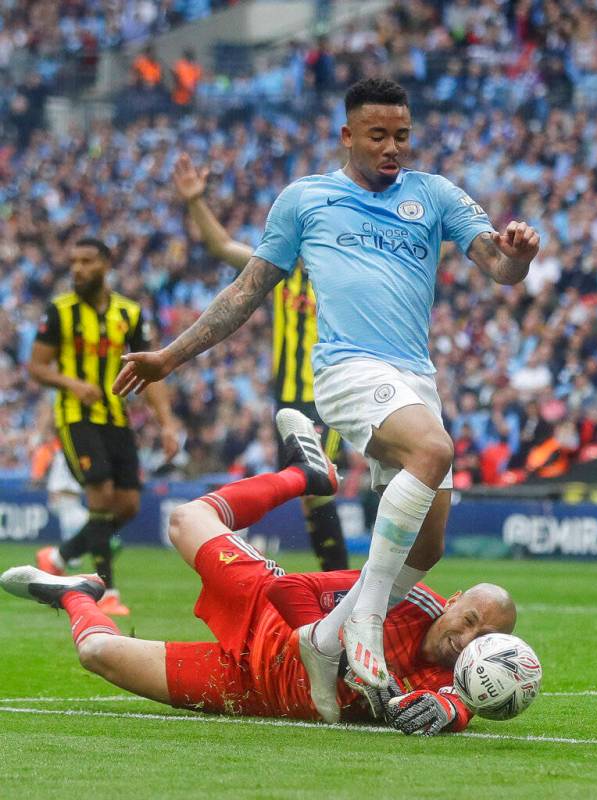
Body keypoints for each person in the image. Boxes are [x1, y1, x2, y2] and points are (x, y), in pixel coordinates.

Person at [113, 78, 539, 689]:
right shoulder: (305, 200)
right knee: (434, 449)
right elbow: (245, 292)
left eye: (401, 136)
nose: (392, 148)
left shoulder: (435, 195)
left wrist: (518, 254)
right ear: (347, 136)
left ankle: (322, 639)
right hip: (346, 368)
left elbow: (500, 268)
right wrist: (171, 357)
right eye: (378, 136)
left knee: (427, 548)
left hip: (415, 376)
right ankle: (361, 623)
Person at [0, 410, 517, 733]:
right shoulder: (407, 597)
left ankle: (77, 592)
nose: (469, 638)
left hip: (252, 692)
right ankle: (303, 474)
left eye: (486, 635)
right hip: (261, 610)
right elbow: (293, 589)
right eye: (471, 618)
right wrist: (326, 647)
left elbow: (461, 703)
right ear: (451, 601)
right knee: (185, 519)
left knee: (97, 654)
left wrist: (455, 713)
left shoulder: (463, 677)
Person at [172, 152, 349, 572]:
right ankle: (338, 585)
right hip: (285, 399)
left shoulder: (346, 273)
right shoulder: (281, 269)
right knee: (311, 496)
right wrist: (196, 201)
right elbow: (220, 246)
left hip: (327, 394)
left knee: (316, 486)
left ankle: (341, 583)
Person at [28, 237, 179, 615]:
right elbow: (37, 366)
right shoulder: (59, 311)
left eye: (87, 261)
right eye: (73, 261)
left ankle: (59, 556)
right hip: (76, 417)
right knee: (101, 494)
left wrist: (166, 424)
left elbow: (151, 373)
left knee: (127, 505)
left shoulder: (128, 313)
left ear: (106, 265)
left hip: (116, 417)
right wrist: (73, 384)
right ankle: (106, 592)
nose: (77, 269)